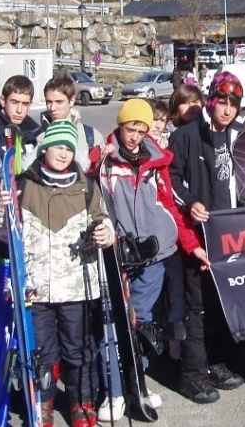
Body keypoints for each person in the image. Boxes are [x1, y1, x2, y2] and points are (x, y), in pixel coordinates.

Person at [0, 119, 114, 427]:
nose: (63, 154)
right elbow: (6, 235)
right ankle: (43, 402)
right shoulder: (24, 184)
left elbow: (104, 221)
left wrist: (105, 234)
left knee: (79, 349)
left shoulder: (87, 186)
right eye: (58, 147)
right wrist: (1, 209)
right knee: (42, 351)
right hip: (37, 288)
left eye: (68, 149)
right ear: (45, 148)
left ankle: (81, 402)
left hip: (77, 287)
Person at [96, 99, 207, 419]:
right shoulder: (104, 160)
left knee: (142, 323)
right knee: (112, 322)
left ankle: (138, 384)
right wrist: (96, 160)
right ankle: (114, 392)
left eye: (141, 130)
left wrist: (191, 246)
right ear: (120, 126)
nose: (135, 136)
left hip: (154, 253)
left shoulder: (156, 161)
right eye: (130, 129)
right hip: (117, 253)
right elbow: (90, 195)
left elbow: (170, 205)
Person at [168, 72, 245, 404]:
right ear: (211, 101)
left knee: (220, 303)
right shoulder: (186, 136)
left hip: (230, 236)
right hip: (198, 235)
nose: (227, 110)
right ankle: (192, 375)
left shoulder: (239, 135)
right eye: (222, 103)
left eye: (234, 104)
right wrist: (191, 202)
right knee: (197, 306)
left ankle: (215, 362)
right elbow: (169, 179)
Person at [0, 74, 41, 186]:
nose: (19, 110)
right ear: (3, 101)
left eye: (25, 104)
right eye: (14, 102)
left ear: (30, 105)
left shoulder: (35, 134)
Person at [40, 73, 102, 174]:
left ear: (72, 100)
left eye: (59, 102)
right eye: (49, 102)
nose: (52, 108)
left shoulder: (92, 137)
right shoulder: (37, 138)